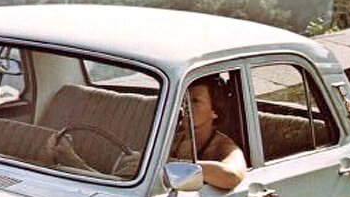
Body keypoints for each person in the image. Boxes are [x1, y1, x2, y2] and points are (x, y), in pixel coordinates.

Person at [47, 76, 246, 189]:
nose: (185, 106)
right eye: (184, 99)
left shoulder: (224, 146)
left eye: (195, 101)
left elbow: (231, 175)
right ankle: (72, 160)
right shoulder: (171, 136)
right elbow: (129, 178)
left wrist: (163, 164)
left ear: (215, 110)